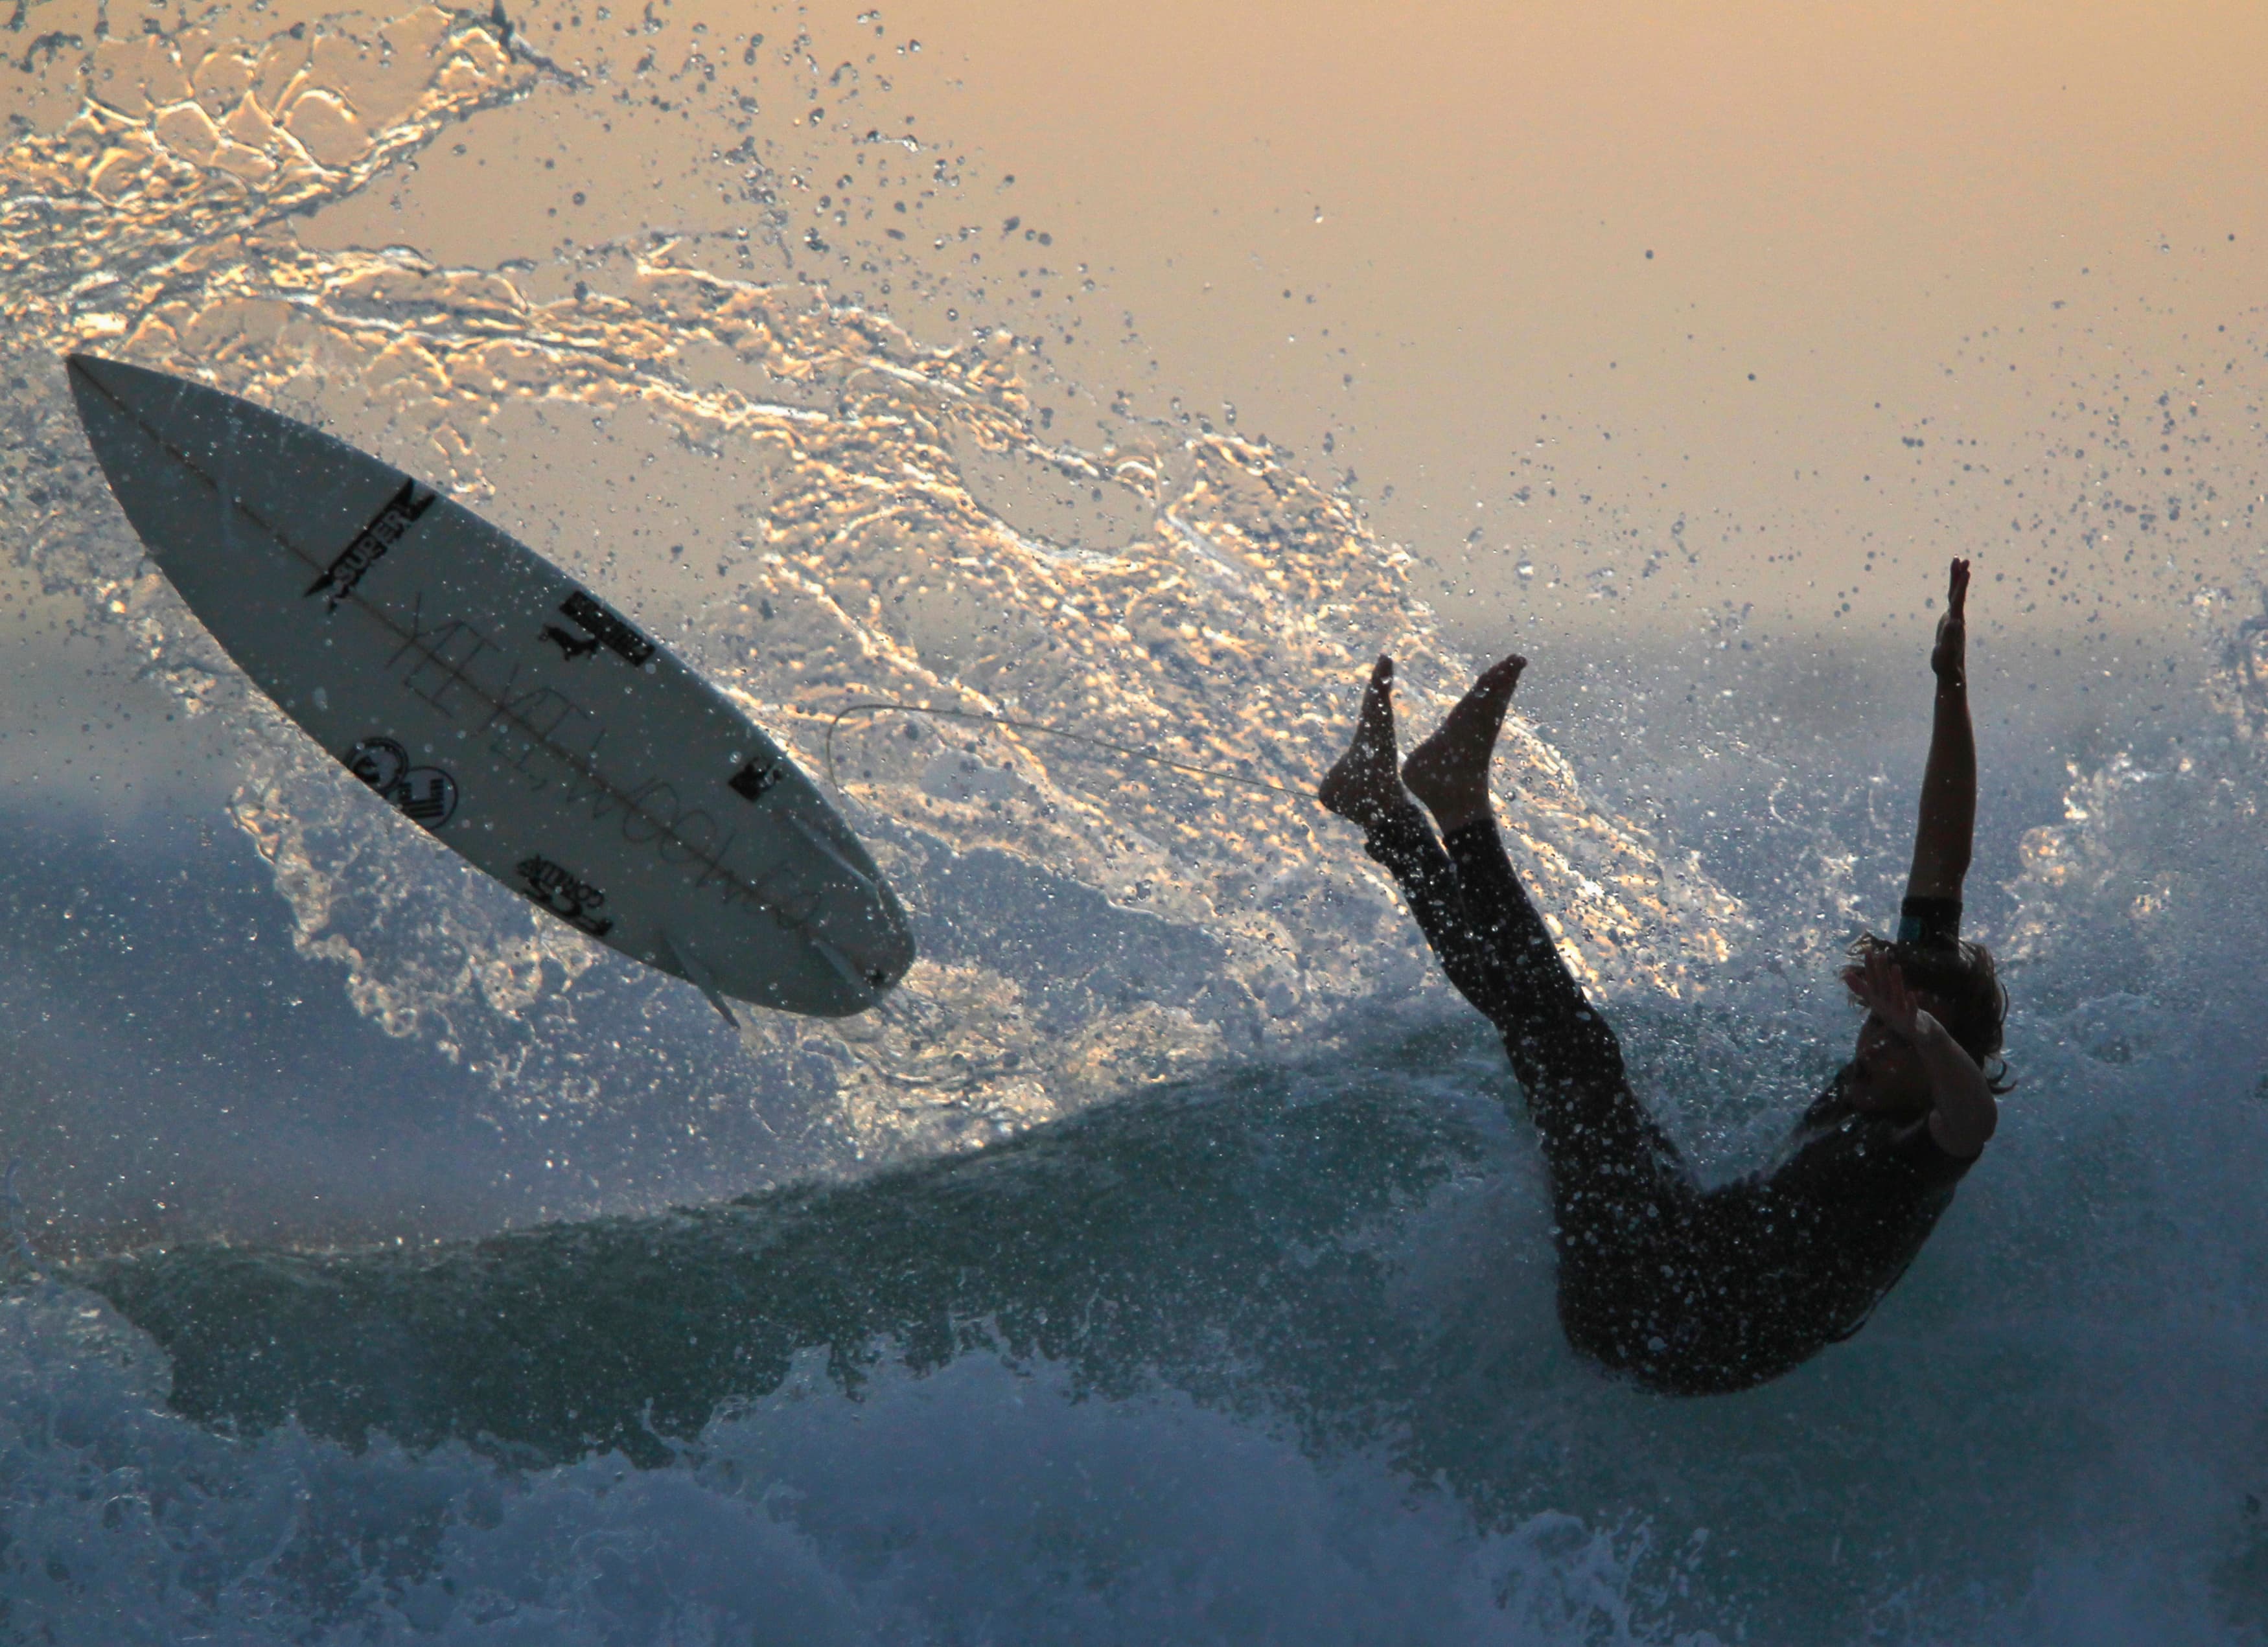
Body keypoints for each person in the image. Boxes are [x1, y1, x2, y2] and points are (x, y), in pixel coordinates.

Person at [1319, 560, 2007, 1394]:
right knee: (1554, 1048)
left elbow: (1973, 1119)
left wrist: (1920, 1032)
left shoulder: (1917, 1152)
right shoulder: (1890, 1070)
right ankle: (1394, 809)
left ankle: (1439, 805)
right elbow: (1944, 856)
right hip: (1679, 1241)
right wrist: (1950, 681)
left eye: (1891, 1043)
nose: (1868, 1050)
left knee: (1571, 1051)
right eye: (1875, 1030)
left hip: (1663, 1325)